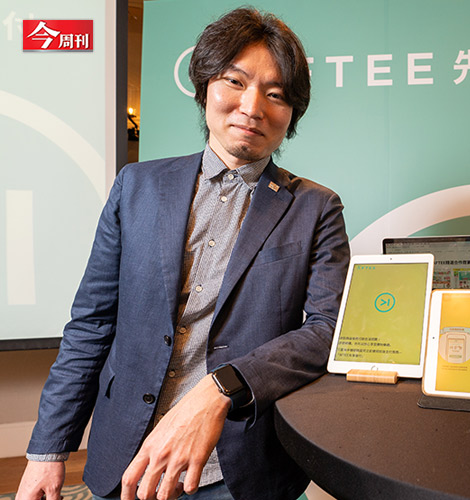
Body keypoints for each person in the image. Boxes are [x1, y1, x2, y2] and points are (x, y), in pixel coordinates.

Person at [16, 8, 350, 500]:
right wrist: (47, 451)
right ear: (205, 86)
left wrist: (223, 387)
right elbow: (92, 324)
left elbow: (327, 329)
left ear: (291, 114)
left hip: (239, 465)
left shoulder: (316, 207)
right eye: (235, 81)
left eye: (276, 94)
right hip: (126, 454)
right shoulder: (137, 186)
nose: (252, 106)